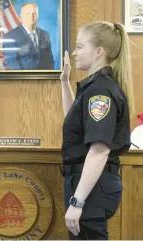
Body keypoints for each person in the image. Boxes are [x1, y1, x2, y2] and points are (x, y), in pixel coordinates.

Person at [60, 21, 134, 239]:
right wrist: (64, 82)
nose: (74, 53)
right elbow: (75, 124)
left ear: (99, 51)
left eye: (80, 46)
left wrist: (78, 200)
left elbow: (99, 149)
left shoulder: (100, 91)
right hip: (91, 185)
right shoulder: (95, 87)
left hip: (92, 188)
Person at [2, 3, 54, 70]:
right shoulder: (10, 36)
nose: (31, 16)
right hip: (22, 79)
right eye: (28, 13)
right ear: (21, 16)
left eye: (34, 13)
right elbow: (11, 63)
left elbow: (49, 60)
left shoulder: (45, 35)